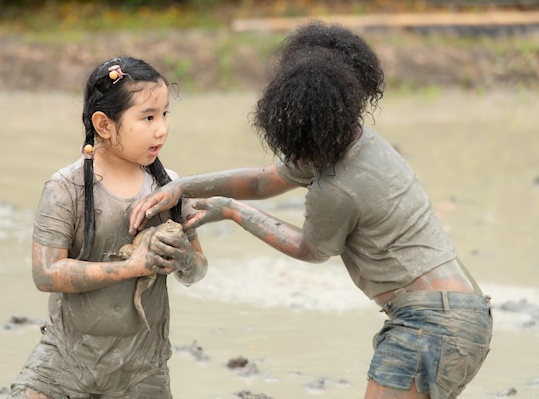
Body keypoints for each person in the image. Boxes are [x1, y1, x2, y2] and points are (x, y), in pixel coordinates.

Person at [129, 21, 492, 399]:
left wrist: (234, 212)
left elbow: (312, 250)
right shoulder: (351, 140)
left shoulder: (337, 187)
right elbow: (260, 181)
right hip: (457, 315)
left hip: (432, 324)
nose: (289, 153)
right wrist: (180, 186)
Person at [7, 56, 208, 399]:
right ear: (103, 124)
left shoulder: (170, 188)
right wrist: (130, 268)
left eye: (164, 115)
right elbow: (45, 274)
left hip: (142, 367)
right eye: (147, 117)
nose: (161, 129)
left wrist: (185, 258)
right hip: (66, 360)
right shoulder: (65, 188)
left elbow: (196, 272)